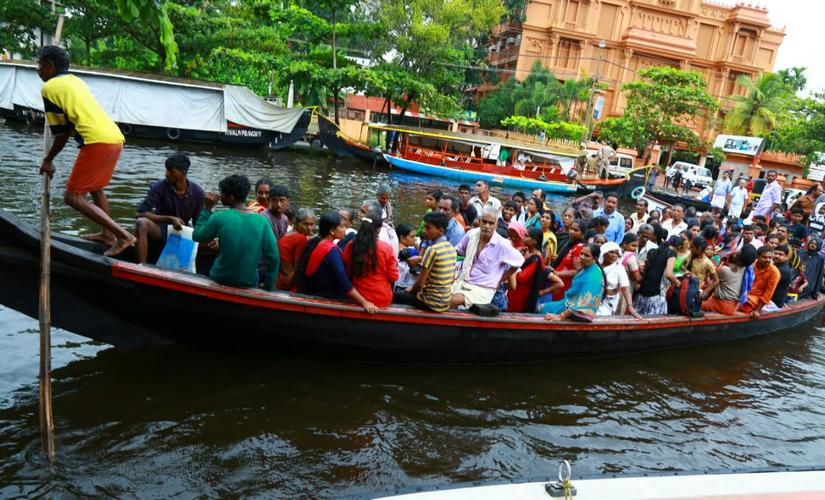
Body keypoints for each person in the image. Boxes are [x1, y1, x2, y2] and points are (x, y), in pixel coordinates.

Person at [36, 45, 135, 256]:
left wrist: (48, 160)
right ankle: (107, 234)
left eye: (40, 65)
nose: (38, 70)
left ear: (50, 66)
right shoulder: (75, 80)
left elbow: (61, 134)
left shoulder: (50, 88)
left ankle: (123, 236)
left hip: (96, 140)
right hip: (114, 137)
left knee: (72, 197)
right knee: (96, 188)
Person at [192, 174, 278, 290]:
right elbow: (273, 257)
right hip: (248, 281)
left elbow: (197, 236)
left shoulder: (219, 217)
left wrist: (207, 209)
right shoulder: (262, 221)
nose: (220, 196)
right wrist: (269, 286)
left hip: (220, 277)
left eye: (222, 193)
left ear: (231, 197)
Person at [296, 212, 378, 313]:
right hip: (327, 296)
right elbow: (344, 281)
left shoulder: (321, 243)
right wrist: (364, 302)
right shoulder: (331, 250)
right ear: (332, 231)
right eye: (342, 227)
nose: (345, 230)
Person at [134, 153, 205, 264]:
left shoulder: (198, 192)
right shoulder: (159, 187)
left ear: (183, 172)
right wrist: (169, 218)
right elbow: (140, 213)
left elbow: (198, 223)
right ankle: (141, 267)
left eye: (171, 171)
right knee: (141, 223)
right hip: (161, 230)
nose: (167, 174)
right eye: (166, 170)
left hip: (183, 232)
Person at [452, 209, 525, 314]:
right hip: (463, 281)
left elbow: (519, 261)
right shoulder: (471, 235)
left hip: (483, 289)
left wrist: (500, 280)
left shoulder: (502, 244)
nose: (487, 226)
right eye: (484, 222)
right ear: (479, 221)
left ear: (496, 225)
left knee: (452, 300)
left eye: (491, 223)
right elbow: (458, 251)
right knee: (441, 297)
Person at [393, 211, 457, 312]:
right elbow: (452, 279)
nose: (423, 231)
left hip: (430, 303)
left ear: (440, 230)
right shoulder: (451, 248)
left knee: (395, 296)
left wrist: (409, 290)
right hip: (445, 302)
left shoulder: (432, 250)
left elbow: (419, 284)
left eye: (428, 228)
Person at [343, 205, 399, 309]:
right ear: (378, 230)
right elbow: (394, 277)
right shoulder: (386, 248)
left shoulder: (351, 245)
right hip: (381, 299)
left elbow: (347, 271)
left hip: (356, 296)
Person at [540, 244, 605, 322]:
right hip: (569, 304)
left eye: (586, 255)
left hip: (579, 312)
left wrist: (561, 316)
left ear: (595, 258)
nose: (582, 257)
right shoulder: (588, 268)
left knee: (542, 309)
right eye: (581, 253)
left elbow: (581, 303)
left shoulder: (593, 276)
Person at [634, 226, 678, 316]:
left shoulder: (655, 250)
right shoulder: (671, 252)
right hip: (656, 296)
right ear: (679, 246)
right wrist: (678, 283)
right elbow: (669, 274)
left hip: (642, 293)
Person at [701, 246, 755, 315]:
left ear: (737, 257)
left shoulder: (725, 270)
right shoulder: (748, 270)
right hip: (734, 305)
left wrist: (707, 274)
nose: (735, 252)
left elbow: (712, 283)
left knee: (694, 305)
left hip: (721, 305)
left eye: (737, 252)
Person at [507, 227, 546, 313]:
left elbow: (522, 277)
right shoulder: (526, 251)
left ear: (535, 241)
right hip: (516, 290)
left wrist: (512, 268)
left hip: (522, 294)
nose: (523, 238)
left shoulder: (536, 258)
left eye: (527, 236)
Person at [597, 242, 641, 318]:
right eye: (611, 252)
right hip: (593, 299)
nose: (614, 255)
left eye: (616, 253)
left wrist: (630, 306)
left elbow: (625, 288)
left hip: (608, 302)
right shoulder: (596, 265)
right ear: (604, 253)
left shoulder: (619, 268)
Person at [277, 208, 316, 291]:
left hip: (279, 278)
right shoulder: (300, 238)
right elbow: (299, 268)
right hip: (287, 283)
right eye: (305, 224)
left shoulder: (288, 234)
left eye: (312, 224)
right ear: (296, 223)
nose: (309, 228)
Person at [739, 246, 780, 317]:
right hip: (744, 293)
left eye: (770, 258)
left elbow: (768, 293)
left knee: (745, 307)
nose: (768, 260)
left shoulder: (774, 272)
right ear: (757, 257)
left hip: (757, 297)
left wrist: (757, 310)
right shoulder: (751, 264)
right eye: (764, 257)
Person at [551, 219, 586, 300]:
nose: (572, 232)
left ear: (582, 233)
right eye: (571, 229)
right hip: (558, 283)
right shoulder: (570, 243)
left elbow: (577, 271)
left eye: (576, 230)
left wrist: (557, 273)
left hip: (565, 284)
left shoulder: (580, 247)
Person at [394, 223, 419, 292]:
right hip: (403, 287)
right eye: (412, 237)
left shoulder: (394, 247)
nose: (415, 239)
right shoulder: (409, 251)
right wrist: (417, 248)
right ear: (402, 238)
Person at [768, 244, 793, 309]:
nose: (776, 256)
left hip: (773, 302)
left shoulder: (783, 270)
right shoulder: (776, 265)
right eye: (775, 253)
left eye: (780, 254)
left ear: (786, 257)